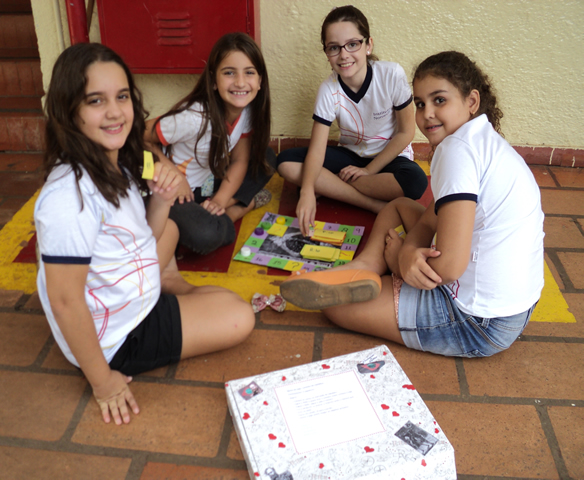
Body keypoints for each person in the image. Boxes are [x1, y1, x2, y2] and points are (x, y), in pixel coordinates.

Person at [35, 43, 255, 426]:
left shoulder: (118, 161)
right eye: (96, 101)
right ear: (68, 111)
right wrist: (104, 382)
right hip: (119, 338)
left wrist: (162, 199)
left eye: (122, 96)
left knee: (172, 228)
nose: (114, 111)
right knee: (240, 316)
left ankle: (170, 285)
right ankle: (173, 288)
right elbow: (64, 301)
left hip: (133, 292)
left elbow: (142, 238)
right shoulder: (67, 196)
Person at [280, 51, 544, 358]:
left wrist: (399, 264)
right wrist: (408, 250)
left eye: (439, 100)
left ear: (471, 101)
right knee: (398, 206)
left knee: (337, 308)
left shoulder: (456, 151)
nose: (427, 113)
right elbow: (432, 217)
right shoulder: (479, 139)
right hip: (517, 308)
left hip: (478, 321)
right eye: (419, 103)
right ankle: (363, 268)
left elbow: (449, 268)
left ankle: (378, 271)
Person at [276, 5, 428, 236]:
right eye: (334, 47)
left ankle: (332, 185)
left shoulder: (391, 75)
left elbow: (406, 133)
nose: (344, 55)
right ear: (327, 53)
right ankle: (372, 204)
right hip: (350, 156)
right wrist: (306, 192)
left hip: (389, 157)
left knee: (415, 182)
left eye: (353, 44)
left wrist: (368, 170)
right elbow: (317, 150)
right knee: (285, 162)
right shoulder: (329, 89)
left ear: (368, 45)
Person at [144, 32, 275, 255]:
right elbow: (136, 136)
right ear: (214, 80)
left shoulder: (246, 109)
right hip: (173, 193)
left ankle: (217, 208)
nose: (240, 82)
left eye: (249, 72)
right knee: (205, 235)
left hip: (206, 183)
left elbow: (240, 160)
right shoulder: (194, 118)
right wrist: (170, 171)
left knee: (267, 158)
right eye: (229, 73)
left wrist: (220, 200)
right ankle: (238, 209)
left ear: (260, 80)